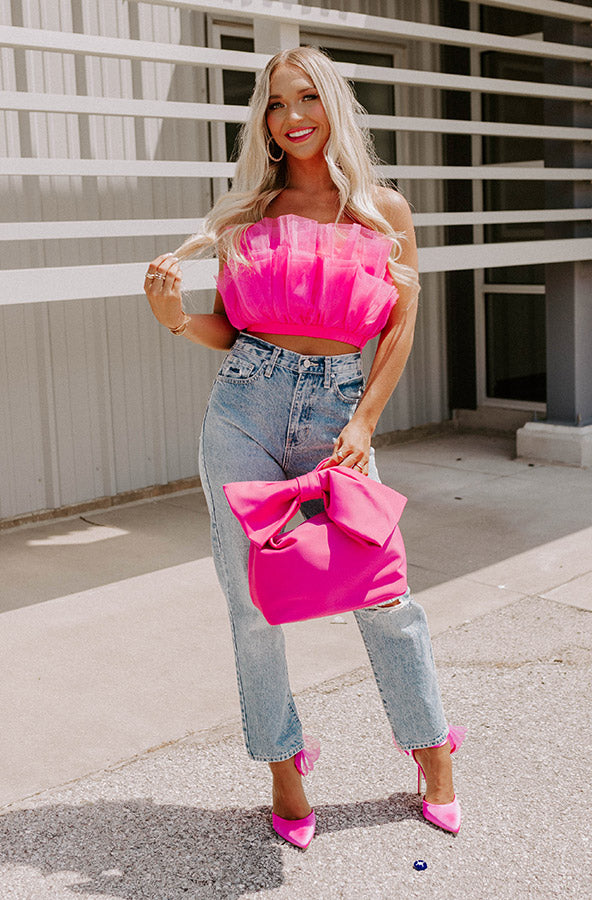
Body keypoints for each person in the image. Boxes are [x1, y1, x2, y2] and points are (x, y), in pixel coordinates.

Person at [144, 46, 465, 849]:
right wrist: (177, 318)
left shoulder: (382, 211)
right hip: (244, 407)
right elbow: (233, 327)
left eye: (308, 99)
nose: (294, 119)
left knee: (383, 596)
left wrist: (362, 424)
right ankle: (284, 767)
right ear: (265, 122)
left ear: (334, 107)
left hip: (335, 410)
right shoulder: (248, 215)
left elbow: (400, 325)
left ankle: (432, 753)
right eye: (278, 105)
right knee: (252, 602)